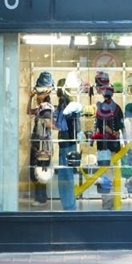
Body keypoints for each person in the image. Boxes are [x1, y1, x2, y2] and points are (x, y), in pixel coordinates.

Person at [94, 83, 124, 210]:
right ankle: (115, 200)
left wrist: (111, 132)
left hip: (103, 147)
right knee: (113, 174)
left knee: (105, 174)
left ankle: (107, 202)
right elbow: (122, 127)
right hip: (114, 146)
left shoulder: (100, 109)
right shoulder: (117, 108)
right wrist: (117, 134)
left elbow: (99, 127)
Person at [54, 76, 82, 211]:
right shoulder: (66, 104)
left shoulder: (65, 105)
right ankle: (69, 206)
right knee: (66, 176)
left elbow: (61, 125)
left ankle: (69, 207)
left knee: (65, 177)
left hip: (67, 143)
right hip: (68, 142)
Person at [28, 71, 55, 207]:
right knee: (37, 170)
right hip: (38, 143)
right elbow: (28, 111)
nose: (37, 96)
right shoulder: (41, 107)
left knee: (40, 170)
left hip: (42, 144)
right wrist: (30, 98)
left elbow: (50, 125)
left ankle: (41, 198)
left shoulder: (46, 108)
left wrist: (46, 124)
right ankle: (40, 197)